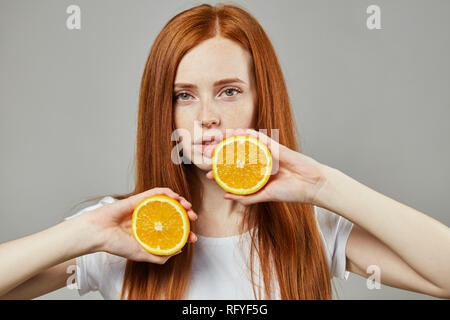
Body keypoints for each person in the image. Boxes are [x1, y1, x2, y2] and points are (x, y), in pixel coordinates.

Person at [1, 3, 449, 300]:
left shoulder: (314, 228)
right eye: (184, 95)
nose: (208, 116)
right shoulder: (121, 234)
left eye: (229, 91)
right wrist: (86, 232)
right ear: (164, 112)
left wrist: (323, 185)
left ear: (260, 100)